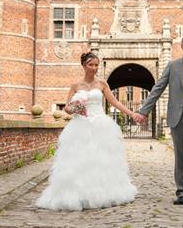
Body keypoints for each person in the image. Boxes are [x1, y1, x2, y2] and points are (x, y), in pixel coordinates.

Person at [35, 52, 138, 210]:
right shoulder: (75, 86)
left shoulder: (102, 84)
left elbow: (115, 101)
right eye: (91, 65)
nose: (94, 68)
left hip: (100, 125)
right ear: (83, 66)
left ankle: (102, 193)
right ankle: (79, 194)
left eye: (96, 65)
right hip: (80, 126)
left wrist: (131, 113)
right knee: (79, 161)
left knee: (101, 160)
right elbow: (68, 109)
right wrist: (77, 107)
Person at [135, 34, 183, 208]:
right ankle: (182, 193)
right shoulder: (172, 66)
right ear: (181, 46)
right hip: (177, 118)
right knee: (179, 158)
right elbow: (158, 88)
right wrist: (143, 111)